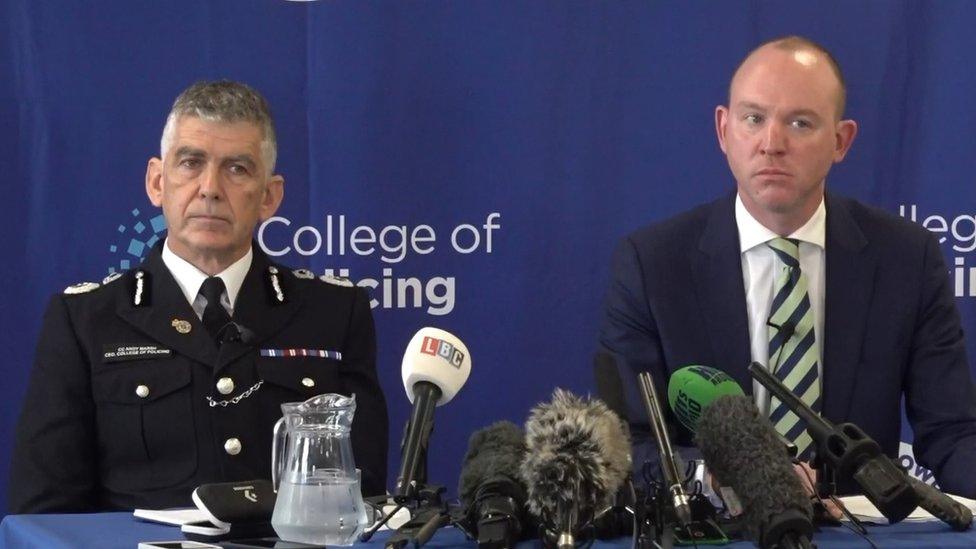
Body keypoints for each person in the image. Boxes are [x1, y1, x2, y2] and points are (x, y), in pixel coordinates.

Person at [599, 36, 976, 499]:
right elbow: (626, 445)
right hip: (719, 527)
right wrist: (721, 478)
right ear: (723, 130)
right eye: (753, 119)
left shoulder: (905, 258)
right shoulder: (653, 263)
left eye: (800, 123)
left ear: (841, 141)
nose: (771, 143)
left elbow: (953, 434)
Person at [8, 81, 389, 512]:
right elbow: (44, 515)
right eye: (191, 163)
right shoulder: (85, 320)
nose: (209, 188)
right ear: (157, 182)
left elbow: (364, 501)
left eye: (237, 169)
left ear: (269, 196)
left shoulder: (335, 314)